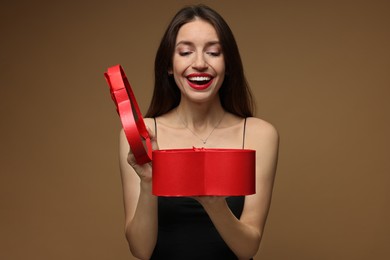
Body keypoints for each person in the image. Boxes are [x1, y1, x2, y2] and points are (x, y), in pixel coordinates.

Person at [118, 4, 279, 260]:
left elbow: (248, 248)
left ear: (229, 65)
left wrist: (214, 204)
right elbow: (140, 250)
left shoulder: (259, 134)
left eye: (214, 52)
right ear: (169, 66)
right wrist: (148, 181)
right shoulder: (146, 133)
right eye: (185, 52)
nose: (200, 63)